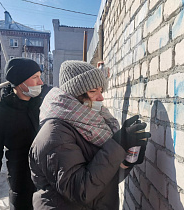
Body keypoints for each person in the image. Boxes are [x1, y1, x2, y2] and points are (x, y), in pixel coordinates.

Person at [29, 60, 151, 209]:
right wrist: (117, 146)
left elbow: (101, 181)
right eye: (93, 91)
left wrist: (126, 161)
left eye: (101, 90)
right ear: (74, 95)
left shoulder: (94, 122)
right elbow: (79, 191)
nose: (101, 98)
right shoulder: (55, 134)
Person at [0, 58, 45, 210]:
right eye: (35, 78)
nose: (40, 82)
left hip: (50, 183)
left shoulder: (44, 102)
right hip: (22, 185)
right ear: (20, 82)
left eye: (40, 77)